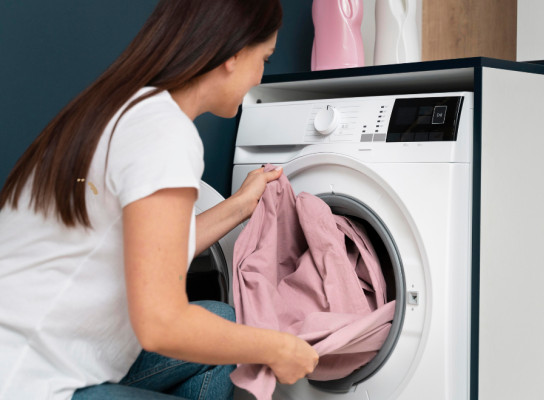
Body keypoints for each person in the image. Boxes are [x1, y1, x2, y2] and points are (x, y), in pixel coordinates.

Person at [0, 0, 319, 399]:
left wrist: (241, 204)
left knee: (223, 321)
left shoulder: (125, 109)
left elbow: (149, 249)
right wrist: (281, 348)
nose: (260, 74)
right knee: (228, 339)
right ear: (234, 55)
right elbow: (162, 324)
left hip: (30, 343)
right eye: (264, 59)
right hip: (26, 376)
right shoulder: (165, 135)